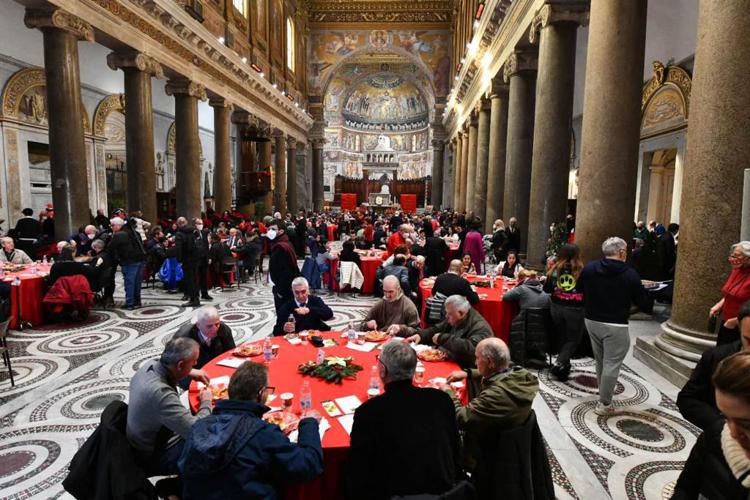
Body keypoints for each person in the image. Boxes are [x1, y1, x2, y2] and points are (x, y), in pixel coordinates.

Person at [178, 361, 323, 499]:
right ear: (261, 393)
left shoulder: (199, 426)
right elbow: (307, 465)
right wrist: (309, 423)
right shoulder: (263, 433)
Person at [347, 340, 460, 499]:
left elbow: (358, 469)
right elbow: (455, 449)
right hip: (444, 492)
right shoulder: (441, 400)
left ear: (383, 370)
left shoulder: (368, 412)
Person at [578, 237, 652, 415]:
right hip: (615, 324)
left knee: (601, 359)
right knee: (611, 363)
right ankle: (604, 404)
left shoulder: (589, 268)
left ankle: (603, 393)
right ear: (621, 252)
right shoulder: (630, 273)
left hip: (591, 320)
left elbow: (580, 290)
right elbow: (642, 301)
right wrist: (646, 292)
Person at [441, 338, 538, 470]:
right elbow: (497, 372)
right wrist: (468, 373)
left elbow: (461, 418)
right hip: (512, 443)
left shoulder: (496, 396)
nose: (475, 362)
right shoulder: (519, 375)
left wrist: (447, 392)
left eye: (477, 358)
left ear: (490, 362)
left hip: (490, 452)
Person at [126, 337, 212, 477]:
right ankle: (175, 488)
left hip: (142, 439)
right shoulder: (161, 395)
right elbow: (196, 430)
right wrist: (206, 402)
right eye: (193, 363)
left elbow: (167, 366)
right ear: (179, 365)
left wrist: (190, 371)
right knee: (214, 448)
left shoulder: (150, 365)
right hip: (156, 453)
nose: (196, 363)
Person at [672, 352, 750, 499]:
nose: (732, 433)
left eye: (745, 424)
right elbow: (685, 489)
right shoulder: (716, 435)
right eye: (726, 417)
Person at [677, 301, 750, 433]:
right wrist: (721, 426)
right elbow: (688, 399)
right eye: (749, 341)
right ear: (739, 328)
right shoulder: (717, 357)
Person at [400, 295, 493, 368]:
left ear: (461, 313)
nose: (446, 317)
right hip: (448, 358)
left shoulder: (479, 327)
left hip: (465, 368)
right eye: (446, 313)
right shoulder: (456, 317)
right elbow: (437, 328)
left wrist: (443, 338)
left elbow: (471, 349)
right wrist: (421, 336)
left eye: (449, 314)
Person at [543, 244, 585, 381]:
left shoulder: (555, 269)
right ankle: (560, 362)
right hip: (574, 308)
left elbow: (547, 289)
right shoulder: (581, 271)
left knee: (562, 336)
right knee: (574, 338)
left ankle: (564, 367)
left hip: (556, 307)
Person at [173, 306, 236, 389]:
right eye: (209, 326)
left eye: (217, 324)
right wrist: (190, 371)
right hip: (192, 372)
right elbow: (170, 364)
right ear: (198, 325)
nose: (215, 329)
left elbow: (231, 353)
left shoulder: (223, 329)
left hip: (216, 368)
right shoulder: (183, 337)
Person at [710, 241, 750, 344]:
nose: (732, 258)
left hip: (742, 326)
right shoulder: (737, 270)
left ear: (748, 258)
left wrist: (736, 321)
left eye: (736, 256)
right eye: (732, 255)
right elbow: (730, 292)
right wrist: (719, 305)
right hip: (726, 321)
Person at [108, 217, 147, 310]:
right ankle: (137, 302)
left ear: (118, 225)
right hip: (140, 260)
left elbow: (110, 248)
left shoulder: (119, 235)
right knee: (137, 282)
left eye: (112, 225)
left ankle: (130, 303)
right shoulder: (134, 232)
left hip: (129, 261)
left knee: (129, 283)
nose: (111, 227)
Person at [268, 219, 300, 314]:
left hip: (284, 290)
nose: (270, 231)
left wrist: (280, 292)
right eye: (269, 229)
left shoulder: (281, 247)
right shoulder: (285, 243)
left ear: (281, 231)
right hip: (286, 288)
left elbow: (286, 271)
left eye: (273, 229)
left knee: (284, 316)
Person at [174, 217, 201, 307]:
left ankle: (193, 299)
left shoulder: (179, 234)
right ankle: (196, 297)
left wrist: (179, 260)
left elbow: (178, 249)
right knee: (194, 279)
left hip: (187, 259)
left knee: (189, 280)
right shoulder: (194, 231)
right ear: (186, 222)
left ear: (178, 224)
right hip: (195, 258)